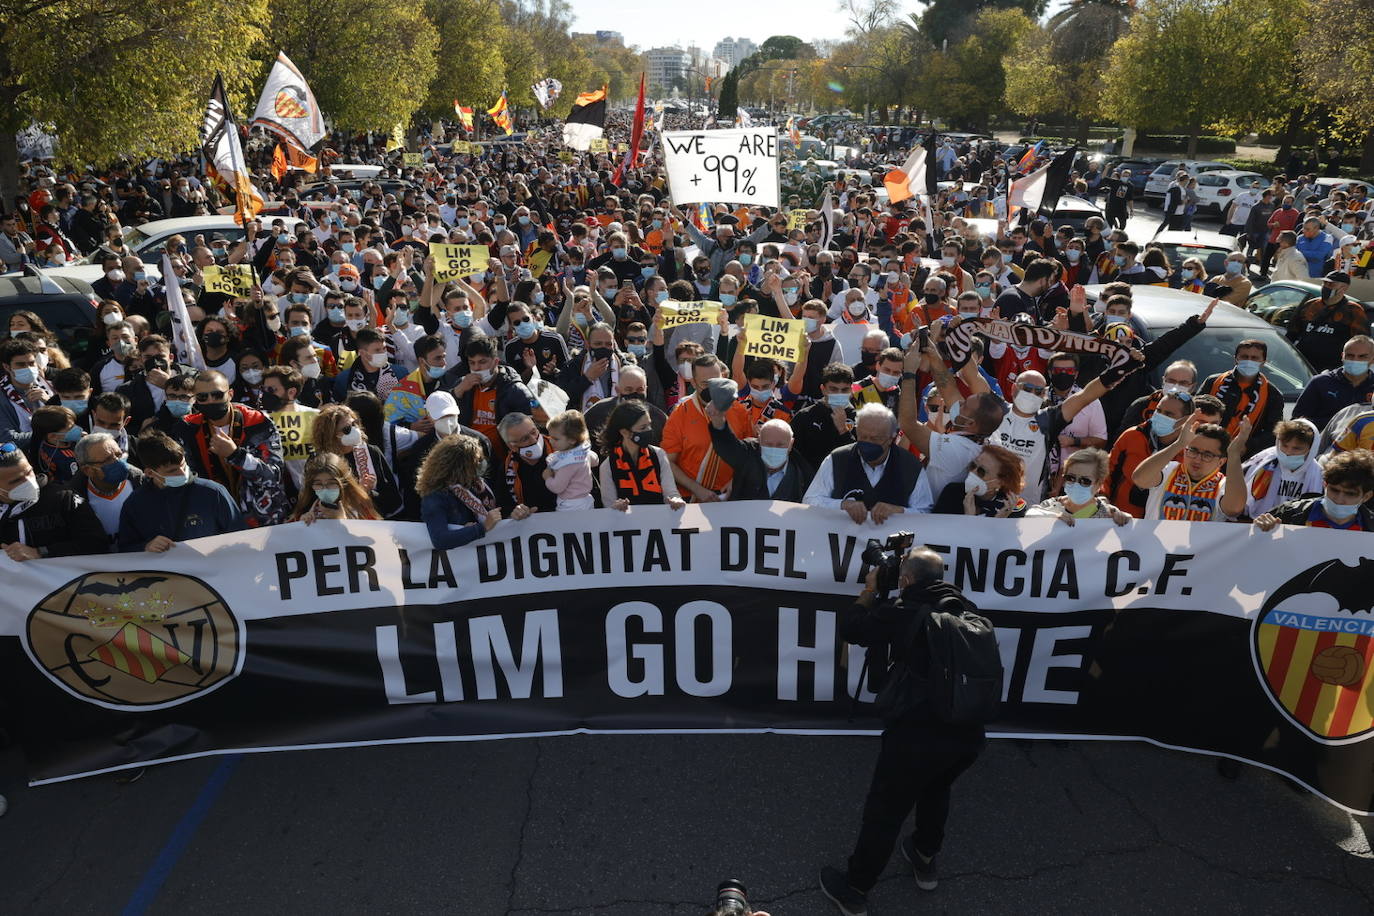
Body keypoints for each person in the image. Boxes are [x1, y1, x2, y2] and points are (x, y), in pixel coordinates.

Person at [820, 547, 986, 915]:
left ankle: (854, 889)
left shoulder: (905, 612)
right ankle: (924, 856)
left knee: (886, 810)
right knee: (936, 789)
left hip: (917, 734)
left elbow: (852, 628)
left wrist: (868, 591)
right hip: (967, 733)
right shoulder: (965, 607)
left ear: (907, 580)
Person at [179, 369, 288, 526]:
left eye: (217, 395)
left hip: (263, 518)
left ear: (230, 394)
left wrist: (236, 455)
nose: (210, 401)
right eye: (203, 397)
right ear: (195, 399)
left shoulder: (259, 423)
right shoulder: (187, 428)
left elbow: (274, 476)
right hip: (215, 518)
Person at [116, 430, 244, 551]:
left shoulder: (213, 493)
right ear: (150, 473)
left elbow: (241, 537)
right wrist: (145, 547)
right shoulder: (135, 503)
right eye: (172, 471)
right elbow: (125, 549)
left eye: (183, 465)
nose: (182, 473)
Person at [804, 403, 934, 522]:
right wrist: (842, 505)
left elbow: (924, 513)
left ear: (891, 438)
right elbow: (810, 500)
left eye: (875, 438)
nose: (868, 442)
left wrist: (898, 511)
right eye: (863, 437)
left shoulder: (910, 467)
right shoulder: (837, 459)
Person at [662, 356, 754, 503]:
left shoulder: (739, 411)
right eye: (705, 384)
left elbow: (750, 454)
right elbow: (668, 462)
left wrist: (735, 481)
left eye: (716, 381)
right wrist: (697, 489)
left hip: (730, 497)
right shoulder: (680, 415)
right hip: (691, 498)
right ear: (693, 382)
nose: (712, 388)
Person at [0, 440, 106, 560]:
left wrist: (40, 552)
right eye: (16, 480)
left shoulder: (64, 498)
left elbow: (97, 543)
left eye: (29, 472)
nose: (28, 481)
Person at [1131, 415, 1249, 521]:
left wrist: (1234, 454)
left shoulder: (1223, 485)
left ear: (1221, 462)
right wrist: (1179, 444)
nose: (1197, 459)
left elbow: (1234, 509)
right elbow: (1139, 479)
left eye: (1207, 455)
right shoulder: (1168, 469)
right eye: (1193, 451)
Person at [706, 404, 815, 502]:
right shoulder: (748, 454)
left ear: (791, 444)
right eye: (768, 444)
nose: (774, 449)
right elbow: (727, 448)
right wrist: (718, 421)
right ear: (759, 441)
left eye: (780, 445)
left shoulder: (803, 472)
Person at [311, 403, 402, 519]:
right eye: (348, 429)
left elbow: (394, 502)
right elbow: (312, 501)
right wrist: (357, 493)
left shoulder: (371, 452)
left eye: (355, 424)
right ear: (331, 435)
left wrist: (368, 493)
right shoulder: (318, 461)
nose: (356, 430)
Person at [1200, 339, 1285, 457]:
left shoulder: (1272, 394)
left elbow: (1273, 431)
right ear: (1236, 358)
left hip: (1241, 457)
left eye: (1255, 358)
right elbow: (1194, 413)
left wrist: (1247, 446)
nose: (1249, 361)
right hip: (1203, 447)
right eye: (1244, 356)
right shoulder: (1213, 382)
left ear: (1263, 362)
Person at [416, 433, 502, 549]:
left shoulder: (480, 485)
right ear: (460, 467)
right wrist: (482, 528)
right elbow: (441, 540)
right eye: (478, 460)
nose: (483, 464)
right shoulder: (435, 498)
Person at [1253, 448, 1374, 531]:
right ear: (1325, 485)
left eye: (1350, 494)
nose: (1339, 499)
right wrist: (1262, 526)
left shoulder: (1370, 526)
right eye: (1334, 490)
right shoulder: (1288, 513)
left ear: (1366, 496)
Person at [597, 400, 686, 510]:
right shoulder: (608, 466)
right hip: (627, 525)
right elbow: (608, 505)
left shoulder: (659, 455)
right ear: (625, 432)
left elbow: (671, 493)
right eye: (643, 428)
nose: (649, 430)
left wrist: (675, 500)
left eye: (649, 425)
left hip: (659, 523)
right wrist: (616, 507)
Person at [70, 431, 145, 548]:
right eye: (107, 460)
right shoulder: (72, 498)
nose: (117, 462)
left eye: (119, 455)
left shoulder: (139, 481)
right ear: (88, 470)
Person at [1285, 272, 1369, 372]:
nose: (1326, 287)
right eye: (1324, 283)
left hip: (1331, 370)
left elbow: (1361, 343)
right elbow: (1292, 333)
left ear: (1344, 288)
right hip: (1302, 365)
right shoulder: (1311, 306)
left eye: (1331, 284)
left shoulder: (1353, 311)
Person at [1241, 418, 1324, 519]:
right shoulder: (1262, 461)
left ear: (1311, 449)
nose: (1288, 452)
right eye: (1284, 446)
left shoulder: (1318, 475)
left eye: (1296, 448)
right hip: (1254, 522)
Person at [1025, 448, 1131, 525]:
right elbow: (1029, 515)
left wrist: (1125, 520)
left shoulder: (1107, 514)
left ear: (1099, 484)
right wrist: (1051, 516)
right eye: (1070, 478)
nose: (1076, 484)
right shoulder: (1052, 506)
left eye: (1085, 481)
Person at [931, 443, 1028, 518]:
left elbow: (1001, 542)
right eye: (973, 465)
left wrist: (998, 522)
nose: (973, 472)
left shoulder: (1010, 507)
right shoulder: (953, 493)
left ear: (1000, 482)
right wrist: (968, 519)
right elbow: (938, 533)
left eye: (981, 471)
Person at [288, 452, 379, 523]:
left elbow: (377, 539)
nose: (325, 489)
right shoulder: (303, 513)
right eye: (318, 484)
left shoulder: (362, 509)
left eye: (331, 483)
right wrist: (301, 525)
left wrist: (342, 521)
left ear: (343, 482)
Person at [542, 409, 598, 512]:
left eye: (555, 439)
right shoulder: (583, 452)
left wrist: (548, 477)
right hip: (586, 500)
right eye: (550, 437)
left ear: (572, 439)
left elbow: (557, 487)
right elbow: (595, 461)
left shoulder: (568, 463)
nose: (550, 441)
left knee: (569, 528)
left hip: (570, 505)